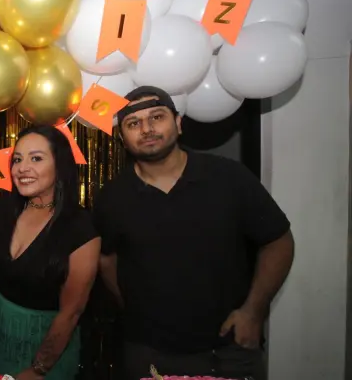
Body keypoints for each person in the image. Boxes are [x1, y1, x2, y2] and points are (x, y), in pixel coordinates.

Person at [93, 86, 295, 380]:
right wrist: (135, 311)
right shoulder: (112, 198)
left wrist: (253, 311)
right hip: (148, 353)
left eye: (157, 117)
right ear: (122, 137)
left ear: (178, 123)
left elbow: (278, 241)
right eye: (133, 123)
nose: (147, 129)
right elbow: (106, 261)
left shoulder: (228, 177)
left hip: (229, 350)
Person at [0, 125, 101, 380]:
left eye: (36, 158)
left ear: (60, 165)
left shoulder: (80, 227)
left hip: (46, 355)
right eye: (17, 159)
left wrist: (38, 370)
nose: (22, 168)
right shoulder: (2, 210)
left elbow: (72, 312)